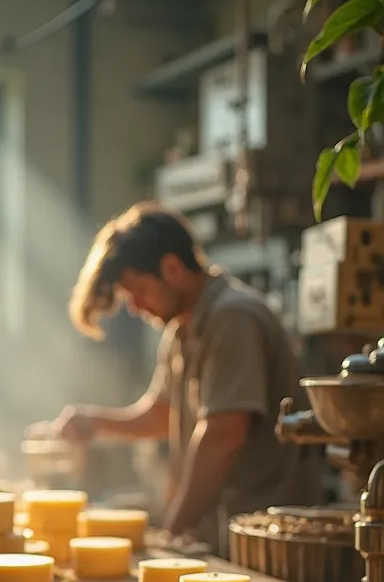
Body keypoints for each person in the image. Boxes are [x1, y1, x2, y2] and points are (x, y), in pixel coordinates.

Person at [39, 204, 323, 555]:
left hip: (270, 539)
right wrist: (93, 422)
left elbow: (223, 434)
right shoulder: (181, 330)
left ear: (171, 268)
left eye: (138, 291)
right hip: (225, 533)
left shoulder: (232, 318)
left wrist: (172, 529)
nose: (135, 306)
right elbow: (161, 413)